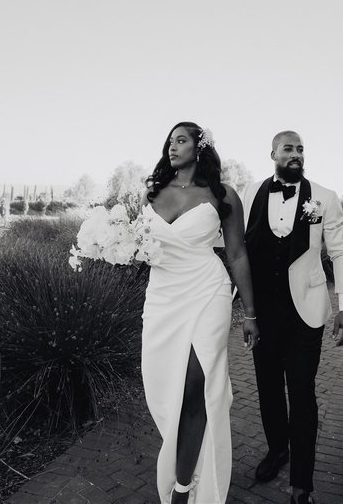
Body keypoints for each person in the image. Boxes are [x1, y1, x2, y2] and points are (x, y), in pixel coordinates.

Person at [140, 122, 260, 504]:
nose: (172, 147)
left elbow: (237, 254)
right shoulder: (153, 193)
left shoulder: (222, 194)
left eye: (181, 140)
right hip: (162, 299)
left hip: (207, 292)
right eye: (169, 142)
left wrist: (251, 313)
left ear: (199, 147)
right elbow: (144, 246)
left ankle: (182, 487)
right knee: (164, 391)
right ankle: (183, 465)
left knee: (196, 386)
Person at [240, 130, 343, 504]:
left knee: (303, 394)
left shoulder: (324, 197)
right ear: (272, 153)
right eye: (288, 148)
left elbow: (341, 251)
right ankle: (278, 450)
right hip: (263, 313)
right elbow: (236, 248)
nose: (296, 154)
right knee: (269, 388)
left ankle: (302, 482)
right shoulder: (248, 194)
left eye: (301, 149)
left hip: (306, 313)